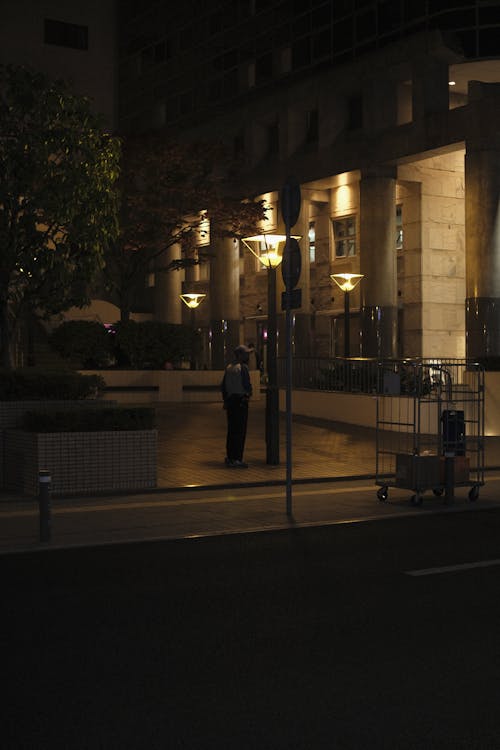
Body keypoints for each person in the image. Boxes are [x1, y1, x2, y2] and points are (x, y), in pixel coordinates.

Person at [221, 344, 253, 468]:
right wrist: (248, 394)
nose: (247, 356)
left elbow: (223, 386)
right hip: (240, 401)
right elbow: (247, 386)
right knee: (240, 431)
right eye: (245, 354)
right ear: (240, 355)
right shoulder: (243, 368)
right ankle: (237, 458)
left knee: (231, 430)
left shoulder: (229, 368)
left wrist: (225, 400)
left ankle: (230, 457)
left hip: (230, 401)